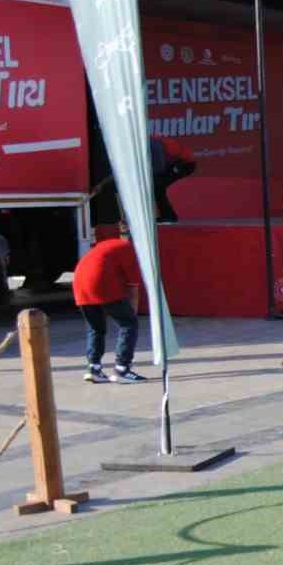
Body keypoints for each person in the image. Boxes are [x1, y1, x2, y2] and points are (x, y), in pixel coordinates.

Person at [74, 223, 145, 383]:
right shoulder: (129, 249)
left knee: (95, 328)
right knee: (129, 324)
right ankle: (122, 369)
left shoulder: (107, 245)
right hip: (101, 283)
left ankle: (94, 369)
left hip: (80, 284)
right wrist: (132, 314)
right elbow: (133, 289)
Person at [148, 135, 197, 224]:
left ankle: (168, 217)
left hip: (185, 164)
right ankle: (168, 216)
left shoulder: (154, 144)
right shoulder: (150, 141)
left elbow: (160, 167)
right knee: (157, 186)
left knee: (158, 186)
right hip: (175, 162)